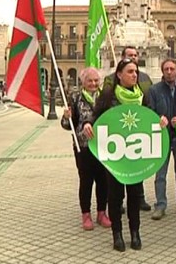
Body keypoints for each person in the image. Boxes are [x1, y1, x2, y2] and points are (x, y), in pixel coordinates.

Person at [83, 59, 168, 252]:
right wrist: (88, 123)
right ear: (119, 75)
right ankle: (117, 234)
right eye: (130, 71)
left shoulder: (141, 96)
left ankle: (135, 233)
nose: (134, 75)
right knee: (115, 196)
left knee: (134, 195)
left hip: (135, 154)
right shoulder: (108, 95)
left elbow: (150, 116)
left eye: (136, 71)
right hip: (116, 154)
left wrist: (160, 121)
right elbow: (95, 115)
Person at [61, 67, 111, 231]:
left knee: (103, 180)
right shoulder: (75, 97)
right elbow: (67, 126)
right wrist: (66, 117)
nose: (93, 83)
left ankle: (102, 213)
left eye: (96, 80)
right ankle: (86, 214)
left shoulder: (106, 97)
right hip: (83, 146)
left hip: (104, 145)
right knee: (86, 181)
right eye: (90, 80)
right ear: (83, 82)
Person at [104, 46, 153, 212]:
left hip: (138, 133)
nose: (133, 57)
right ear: (122, 57)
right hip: (118, 134)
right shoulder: (110, 79)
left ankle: (139, 198)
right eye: (130, 55)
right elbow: (103, 108)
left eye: (135, 55)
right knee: (119, 171)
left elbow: (149, 100)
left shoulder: (144, 77)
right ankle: (119, 202)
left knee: (137, 169)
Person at [148, 59, 176, 220]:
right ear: (162, 71)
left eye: (172, 69)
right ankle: (160, 205)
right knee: (161, 174)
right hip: (162, 135)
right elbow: (149, 110)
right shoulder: (154, 90)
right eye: (166, 69)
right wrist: (159, 118)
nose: (169, 72)